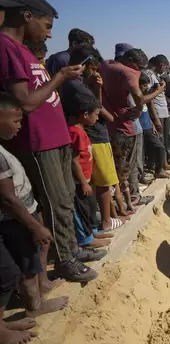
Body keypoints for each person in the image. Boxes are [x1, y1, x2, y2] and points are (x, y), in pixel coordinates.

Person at [0, 0, 102, 281]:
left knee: (65, 200)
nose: (48, 35)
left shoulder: (23, 50)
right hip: (38, 142)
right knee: (56, 202)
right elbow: (27, 102)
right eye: (47, 26)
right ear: (27, 16)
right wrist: (60, 77)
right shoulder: (5, 46)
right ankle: (66, 261)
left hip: (55, 140)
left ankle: (71, 248)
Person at [0, 92, 72, 344]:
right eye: (16, 121)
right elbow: (8, 199)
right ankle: (35, 306)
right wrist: (35, 226)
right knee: (26, 263)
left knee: (25, 262)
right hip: (17, 218)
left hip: (22, 214)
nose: (20, 127)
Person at [60, 45, 127, 233]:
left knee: (100, 183)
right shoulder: (75, 85)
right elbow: (104, 113)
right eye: (93, 68)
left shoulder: (76, 84)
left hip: (95, 137)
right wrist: (95, 89)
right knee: (104, 181)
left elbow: (97, 109)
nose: (94, 72)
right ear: (84, 64)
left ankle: (105, 219)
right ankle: (106, 221)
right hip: (96, 138)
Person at [101, 48, 162, 216]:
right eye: (139, 66)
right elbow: (139, 99)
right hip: (128, 126)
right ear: (128, 60)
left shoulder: (106, 65)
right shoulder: (127, 73)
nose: (140, 71)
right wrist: (157, 92)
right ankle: (133, 197)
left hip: (113, 125)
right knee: (130, 165)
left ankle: (125, 199)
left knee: (120, 167)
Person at [66, 91, 111, 250]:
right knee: (82, 211)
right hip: (80, 181)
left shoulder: (81, 130)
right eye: (96, 115)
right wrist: (84, 182)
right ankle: (86, 239)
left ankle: (93, 232)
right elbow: (74, 161)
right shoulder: (76, 132)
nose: (98, 118)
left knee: (90, 208)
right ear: (85, 114)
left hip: (85, 179)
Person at [136, 73, 170, 179]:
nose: (146, 88)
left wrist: (153, 123)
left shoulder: (145, 97)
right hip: (140, 129)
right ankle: (151, 172)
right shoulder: (137, 98)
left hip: (148, 127)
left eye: (147, 85)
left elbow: (148, 112)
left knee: (159, 147)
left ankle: (159, 169)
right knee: (144, 152)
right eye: (144, 85)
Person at [144, 55, 170, 163]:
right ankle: (160, 165)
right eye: (166, 67)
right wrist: (155, 118)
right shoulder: (148, 75)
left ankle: (165, 163)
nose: (165, 70)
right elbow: (149, 98)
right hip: (158, 112)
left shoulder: (156, 75)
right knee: (160, 140)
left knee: (165, 139)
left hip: (163, 111)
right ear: (162, 65)